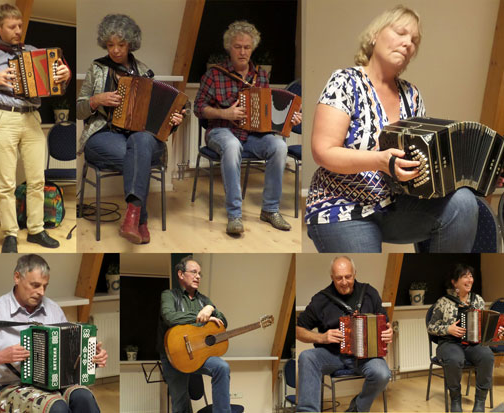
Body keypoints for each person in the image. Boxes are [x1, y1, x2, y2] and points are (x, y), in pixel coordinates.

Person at [304, 5, 478, 252]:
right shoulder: (344, 82)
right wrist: (380, 161)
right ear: (375, 36)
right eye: (400, 32)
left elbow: (424, 165)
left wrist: (472, 174)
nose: (408, 43)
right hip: (341, 207)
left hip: (395, 205)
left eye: (414, 40)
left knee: (464, 202)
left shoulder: (412, 96)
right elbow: (323, 152)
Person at [0, 3, 71, 253]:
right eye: (12, 27)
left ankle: (36, 230)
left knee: (36, 180)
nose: (18, 31)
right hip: (3, 118)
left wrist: (63, 77)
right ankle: (10, 234)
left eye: (20, 25)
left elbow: (54, 86)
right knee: (6, 183)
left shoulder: (34, 52)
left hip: (32, 118)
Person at [77, 14, 184, 245]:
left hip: (140, 139)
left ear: (131, 43)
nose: (115, 50)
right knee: (138, 155)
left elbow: (160, 123)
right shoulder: (97, 69)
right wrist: (97, 99)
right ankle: (140, 220)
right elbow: (79, 110)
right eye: (110, 45)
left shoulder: (145, 73)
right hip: (104, 136)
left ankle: (132, 218)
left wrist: (173, 120)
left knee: (141, 142)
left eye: (121, 44)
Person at [0, 254, 108, 413]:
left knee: (84, 397)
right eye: (35, 285)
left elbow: (70, 357)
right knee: (57, 408)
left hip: (57, 384)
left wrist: (92, 359)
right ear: (17, 277)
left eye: (45, 286)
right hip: (14, 387)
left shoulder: (53, 309)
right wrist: (1, 356)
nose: (41, 292)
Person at [194, 20, 302, 235]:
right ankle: (234, 215)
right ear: (229, 47)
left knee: (279, 146)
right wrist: (224, 113)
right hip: (220, 131)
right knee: (232, 146)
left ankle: (270, 210)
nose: (242, 52)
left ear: (252, 48)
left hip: (252, 135)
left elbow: (268, 110)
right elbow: (198, 108)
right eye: (237, 47)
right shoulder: (214, 75)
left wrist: (290, 118)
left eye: (247, 47)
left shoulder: (261, 75)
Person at [296, 256, 392, 412]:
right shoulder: (321, 299)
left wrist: (389, 332)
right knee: (306, 357)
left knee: (382, 374)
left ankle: (357, 408)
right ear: (332, 278)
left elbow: (385, 323)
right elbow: (298, 330)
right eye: (339, 278)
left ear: (355, 274)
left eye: (348, 276)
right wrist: (322, 337)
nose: (344, 282)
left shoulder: (369, 293)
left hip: (366, 357)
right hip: (333, 355)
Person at [157, 256, 231, 413]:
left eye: (200, 274)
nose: (198, 276)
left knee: (222, 367)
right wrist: (200, 314)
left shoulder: (204, 300)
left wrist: (211, 308)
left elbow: (223, 322)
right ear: (181, 274)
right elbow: (170, 317)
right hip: (174, 355)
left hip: (198, 353)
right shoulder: (169, 295)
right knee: (180, 403)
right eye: (194, 272)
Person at [427, 264, 504, 412]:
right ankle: (455, 399)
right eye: (465, 276)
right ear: (454, 282)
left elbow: (485, 326)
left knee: (487, 356)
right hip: (448, 343)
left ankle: (480, 401)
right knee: (455, 359)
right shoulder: (444, 302)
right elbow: (431, 327)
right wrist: (447, 329)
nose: (470, 279)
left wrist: (497, 331)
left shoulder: (478, 300)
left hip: (473, 344)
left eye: (471, 276)